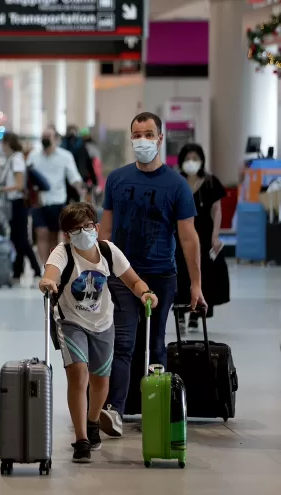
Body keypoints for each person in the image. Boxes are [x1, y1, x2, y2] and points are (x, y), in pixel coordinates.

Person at [98, 112, 206, 437]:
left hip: (161, 275)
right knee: (124, 341)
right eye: (137, 134)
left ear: (160, 139)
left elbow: (188, 237)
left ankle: (154, 408)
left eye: (148, 134)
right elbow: (105, 228)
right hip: (122, 274)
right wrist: (100, 270)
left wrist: (197, 285)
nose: (142, 140)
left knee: (156, 343)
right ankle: (114, 409)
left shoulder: (176, 185)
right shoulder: (117, 179)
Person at [38, 202, 158, 463]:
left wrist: (145, 292)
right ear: (67, 234)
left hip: (103, 323)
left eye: (88, 226)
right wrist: (48, 282)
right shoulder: (62, 252)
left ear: (97, 227)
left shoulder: (108, 251)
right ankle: (81, 439)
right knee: (79, 376)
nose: (84, 232)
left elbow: (133, 280)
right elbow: (51, 273)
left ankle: (93, 422)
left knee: (101, 381)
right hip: (71, 322)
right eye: (76, 229)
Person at [174, 143, 230, 331]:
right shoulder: (176, 181)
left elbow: (217, 210)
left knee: (203, 274)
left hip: (204, 236)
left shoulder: (210, 182)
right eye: (188, 158)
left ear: (202, 161)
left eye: (195, 158)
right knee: (180, 275)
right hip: (179, 235)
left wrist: (216, 236)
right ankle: (180, 313)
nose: (191, 162)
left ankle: (196, 316)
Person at [0, 132, 42, 280]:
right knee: (16, 238)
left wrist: (0, 189)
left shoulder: (16, 160)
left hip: (19, 203)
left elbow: (19, 185)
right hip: (14, 203)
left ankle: (35, 268)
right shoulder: (12, 159)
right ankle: (18, 270)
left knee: (22, 238)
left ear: (7, 143)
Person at [29, 128, 86, 264]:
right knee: (41, 234)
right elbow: (28, 177)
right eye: (43, 135)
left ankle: (53, 266)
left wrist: (81, 191)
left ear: (56, 139)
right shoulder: (34, 156)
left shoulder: (65, 156)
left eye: (48, 136)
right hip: (39, 202)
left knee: (54, 236)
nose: (45, 139)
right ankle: (44, 267)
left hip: (57, 201)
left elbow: (74, 177)